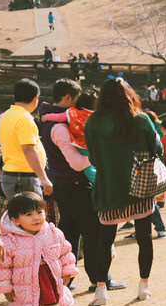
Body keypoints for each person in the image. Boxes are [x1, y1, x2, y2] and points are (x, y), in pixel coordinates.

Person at [38, 79, 125, 292]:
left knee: (70, 232)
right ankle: (99, 279)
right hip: (75, 184)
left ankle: (65, 278)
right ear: (68, 97)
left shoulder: (51, 121)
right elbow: (76, 163)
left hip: (64, 184)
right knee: (93, 232)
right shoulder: (59, 127)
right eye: (76, 99)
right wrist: (99, 157)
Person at [85, 77, 163, 306]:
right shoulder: (140, 119)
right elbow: (156, 148)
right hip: (139, 186)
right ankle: (144, 286)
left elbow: (92, 158)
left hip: (108, 188)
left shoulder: (92, 123)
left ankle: (101, 290)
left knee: (105, 240)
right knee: (144, 237)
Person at [0, 192, 79, 306]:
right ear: (15, 220)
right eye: (28, 214)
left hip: (49, 278)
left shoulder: (53, 232)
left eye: (39, 212)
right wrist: (6, 287)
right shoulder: (10, 240)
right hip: (25, 282)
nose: (36, 217)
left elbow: (65, 251)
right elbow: (2, 265)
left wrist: (67, 270)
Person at [0, 79, 52, 200]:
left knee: (20, 211)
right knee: (33, 212)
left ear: (14, 96)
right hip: (24, 178)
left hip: (10, 175)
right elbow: (29, 150)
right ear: (36, 98)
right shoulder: (24, 119)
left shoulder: (6, 115)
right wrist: (43, 178)